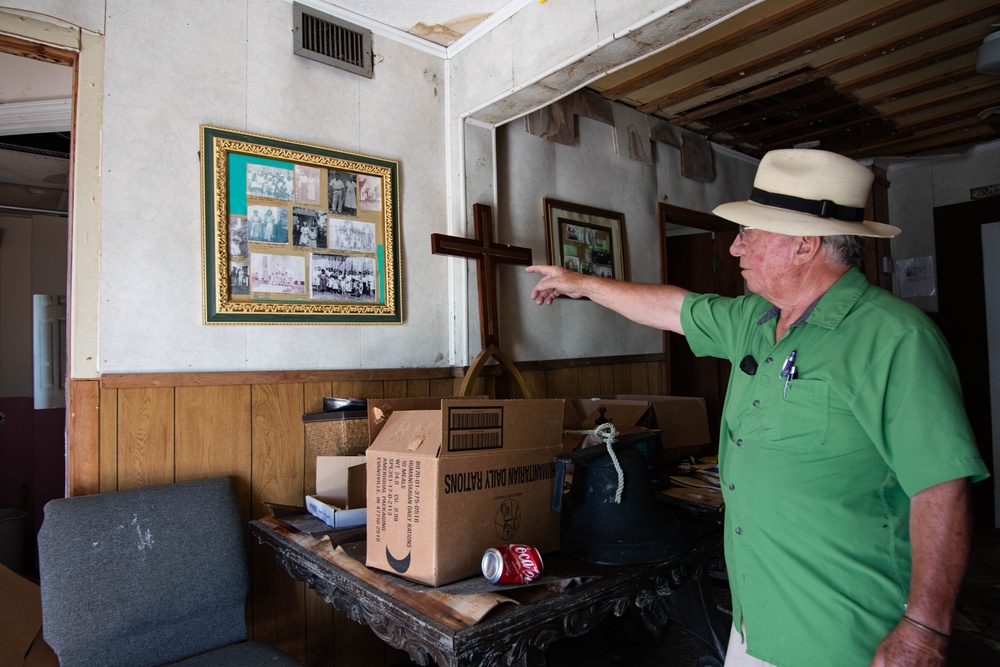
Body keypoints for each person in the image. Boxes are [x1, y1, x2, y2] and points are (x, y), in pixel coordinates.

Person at [526, 149, 989, 667]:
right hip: (755, 614)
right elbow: (671, 307)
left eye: (750, 233)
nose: (734, 246)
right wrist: (580, 284)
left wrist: (925, 627)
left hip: (846, 630)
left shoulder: (895, 338)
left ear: (804, 246)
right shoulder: (756, 319)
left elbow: (941, 486)